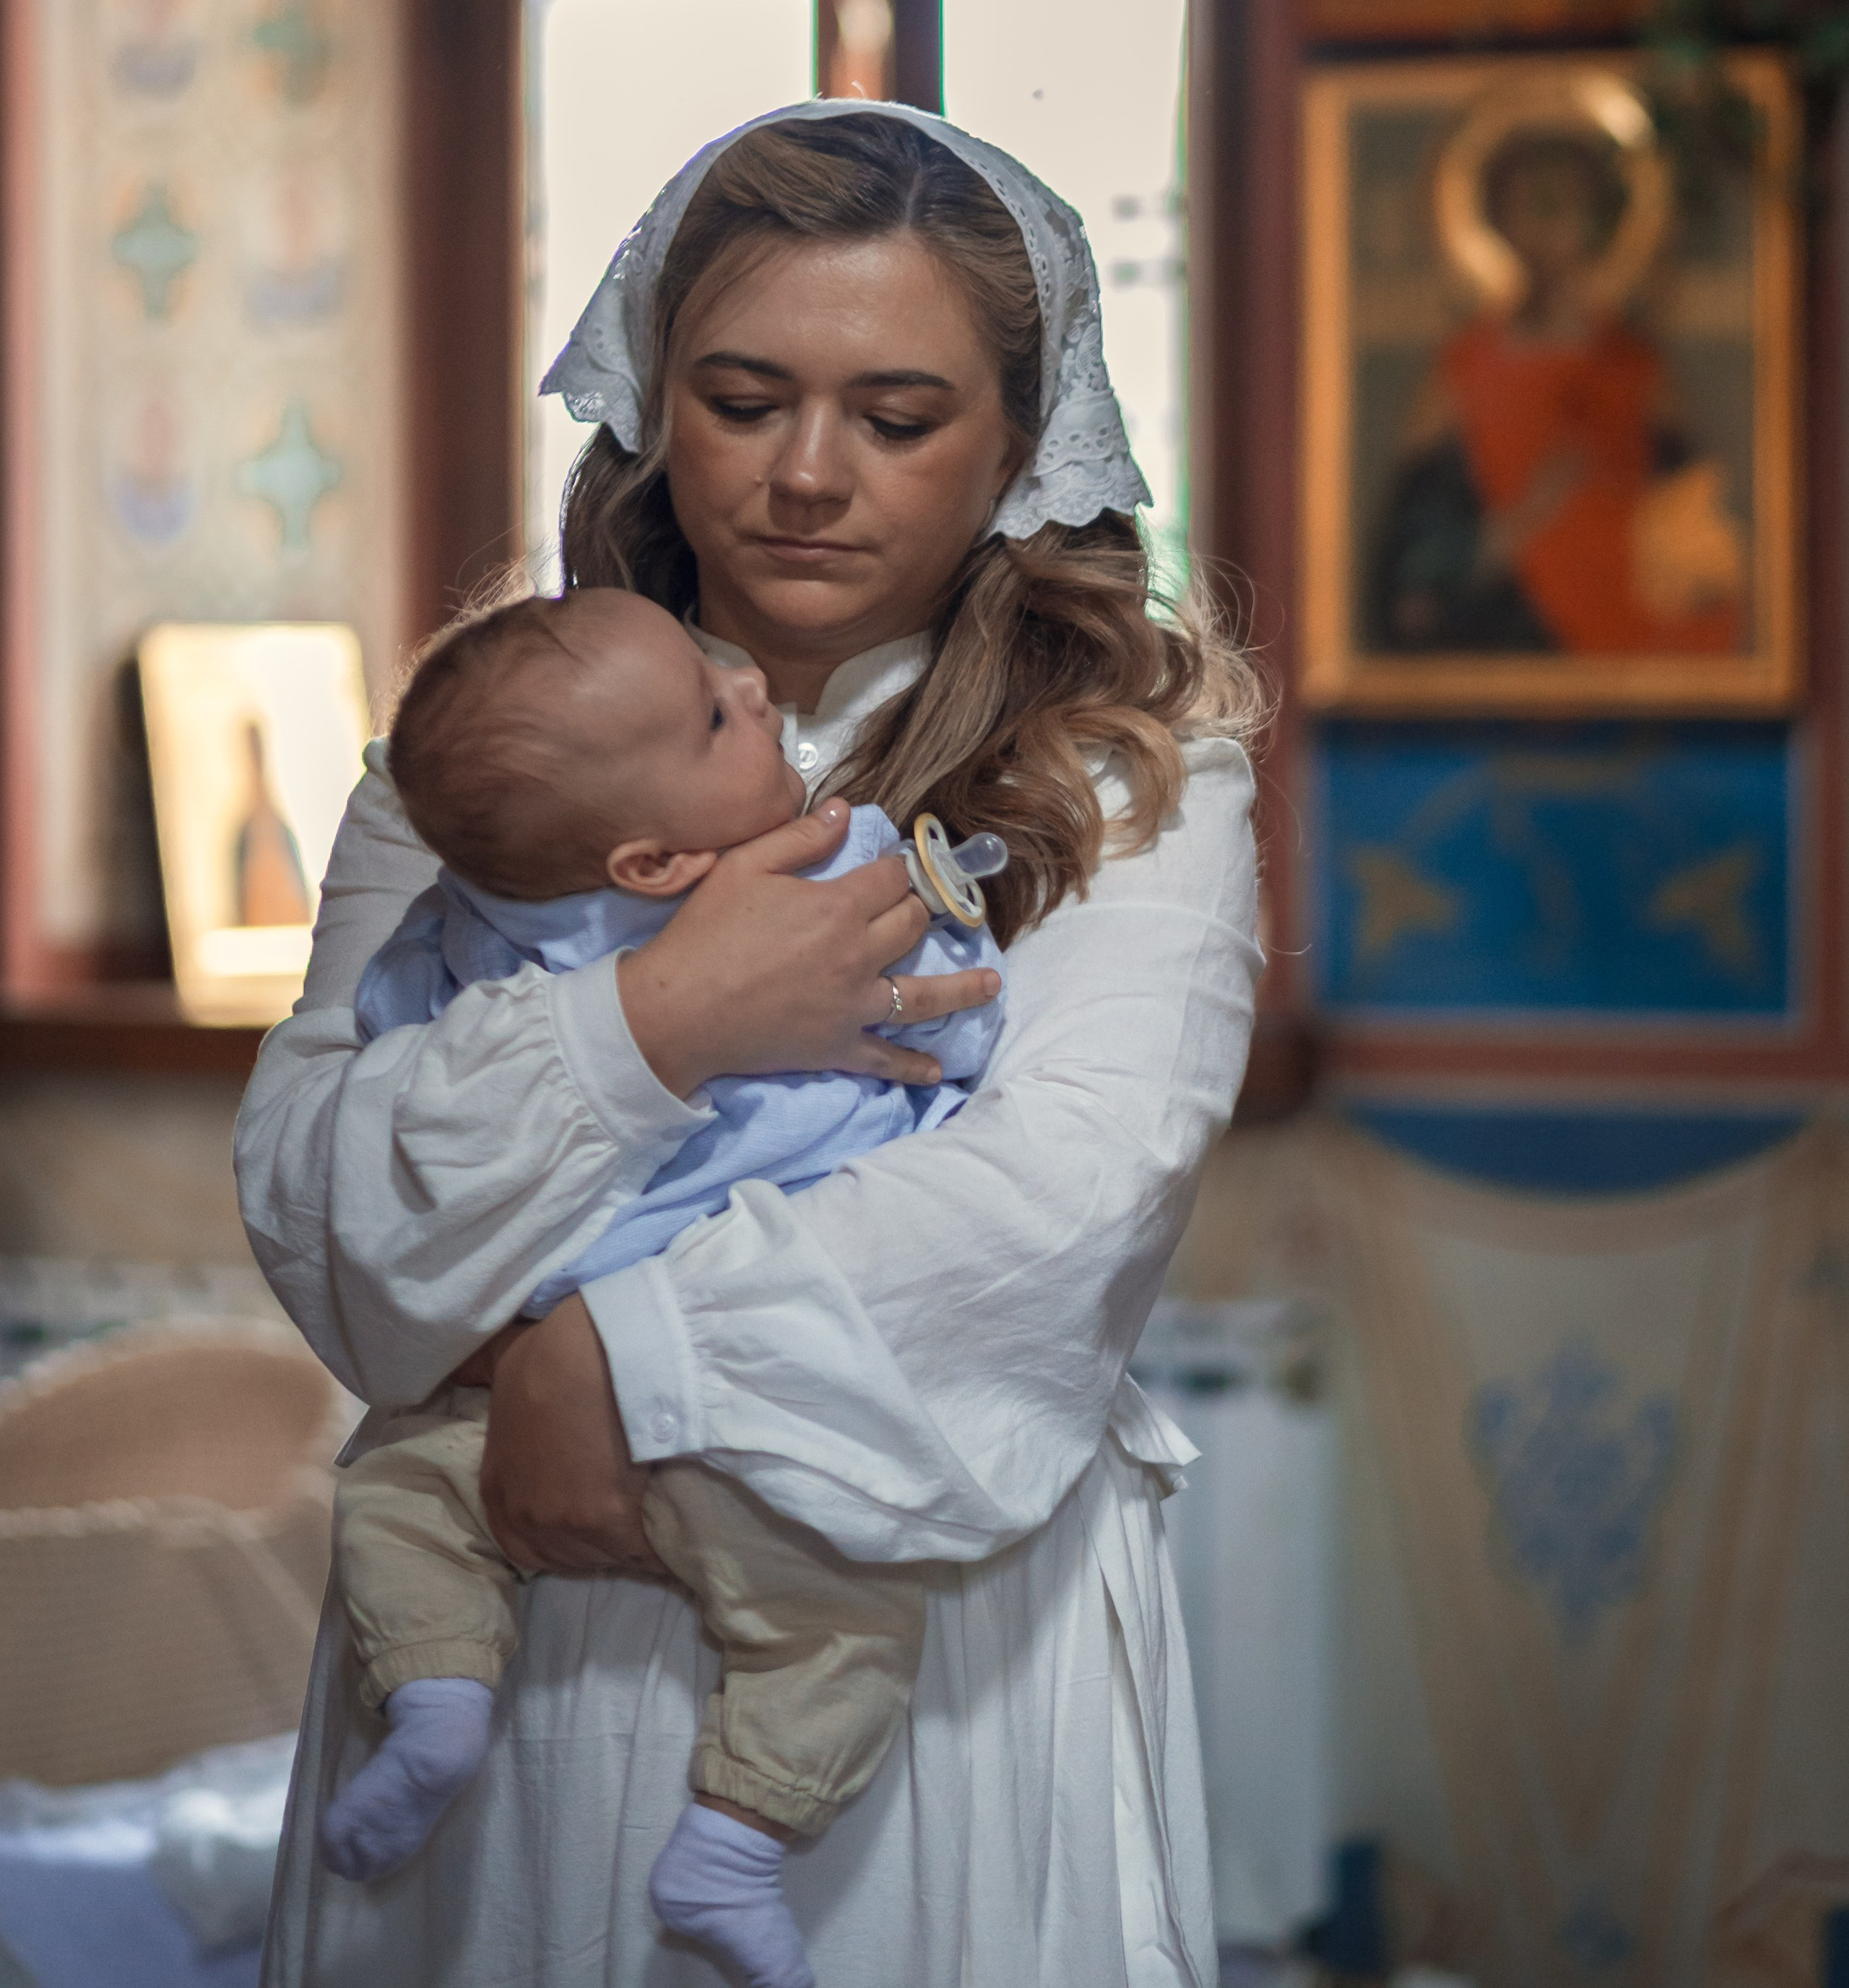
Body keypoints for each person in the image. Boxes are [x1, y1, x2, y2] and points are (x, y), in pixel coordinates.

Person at [236, 100, 1264, 1987]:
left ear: (1022, 447)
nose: (805, 475)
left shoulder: (1131, 787)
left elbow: (1058, 1204)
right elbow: (324, 1221)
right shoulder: (473, 781)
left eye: (896, 418)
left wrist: (607, 1354)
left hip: (919, 1656)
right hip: (505, 1657)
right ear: (652, 401)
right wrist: (657, 1021)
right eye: (741, 399)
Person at [319, 588, 1003, 1988]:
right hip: (743, 1408)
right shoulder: (831, 870)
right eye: (711, 711)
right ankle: (737, 1837)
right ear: (653, 858)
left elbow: (390, 1076)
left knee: (396, 1496)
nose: (751, 688)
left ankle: (436, 1696)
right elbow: (965, 1020)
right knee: (841, 1616)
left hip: (543, 1372)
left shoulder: (465, 926)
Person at [1369, 130, 1744, 654]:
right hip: (1512, 623)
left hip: (1632, 618)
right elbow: (1416, 547)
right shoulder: (1467, 368)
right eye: (1532, 207)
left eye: (1569, 207)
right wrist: (1520, 523)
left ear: (1599, 224)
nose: (1550, 227)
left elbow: (1689, 509)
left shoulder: (1634, 367)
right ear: (1502, 221)